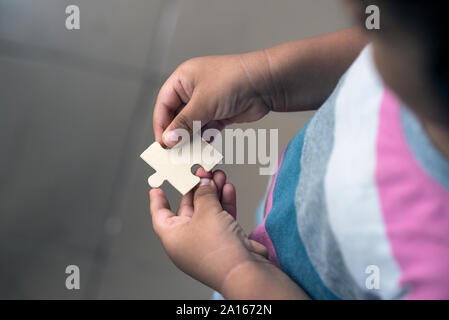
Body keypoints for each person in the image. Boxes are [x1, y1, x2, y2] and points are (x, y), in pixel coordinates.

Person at [149, 0, 449, 299]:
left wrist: (233, 270)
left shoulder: (437, 276)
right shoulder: (413, 42)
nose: (368, 40)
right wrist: (262, 77)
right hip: (273, 236)